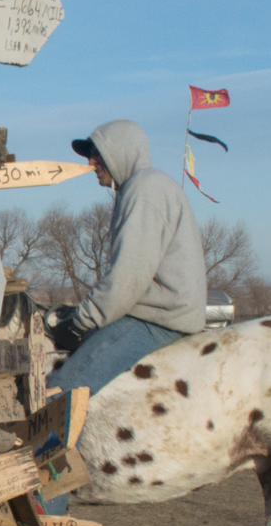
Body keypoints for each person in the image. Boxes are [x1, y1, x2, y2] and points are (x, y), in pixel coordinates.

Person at [44, 118, 207, 451]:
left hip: (155, 320)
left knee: (61, 392)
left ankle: (43, 498)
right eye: (89, 155)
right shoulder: (145, 187)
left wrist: (80, 321)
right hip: (152, 313)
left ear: (121, 152)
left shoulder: (144, 190)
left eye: (97, 154)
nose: (90, 163)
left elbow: (128, 278)